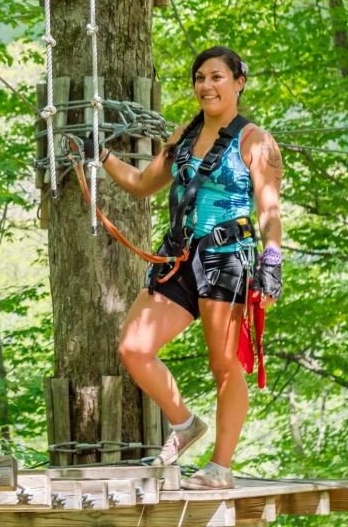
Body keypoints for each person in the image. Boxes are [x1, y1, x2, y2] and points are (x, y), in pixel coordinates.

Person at [91, 46, 283, 489]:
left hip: (226, 259)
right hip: (179, 256)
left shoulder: (255, 141)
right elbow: (142, 184)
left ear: (238, 82)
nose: (206, 85)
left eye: (217, 77)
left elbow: (269, 209)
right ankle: (184, 424)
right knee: (133, 347)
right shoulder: (184, 136)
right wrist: (102, 157)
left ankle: (220, 468)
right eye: (200, 77)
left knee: (225, 366)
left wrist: (271, 262)